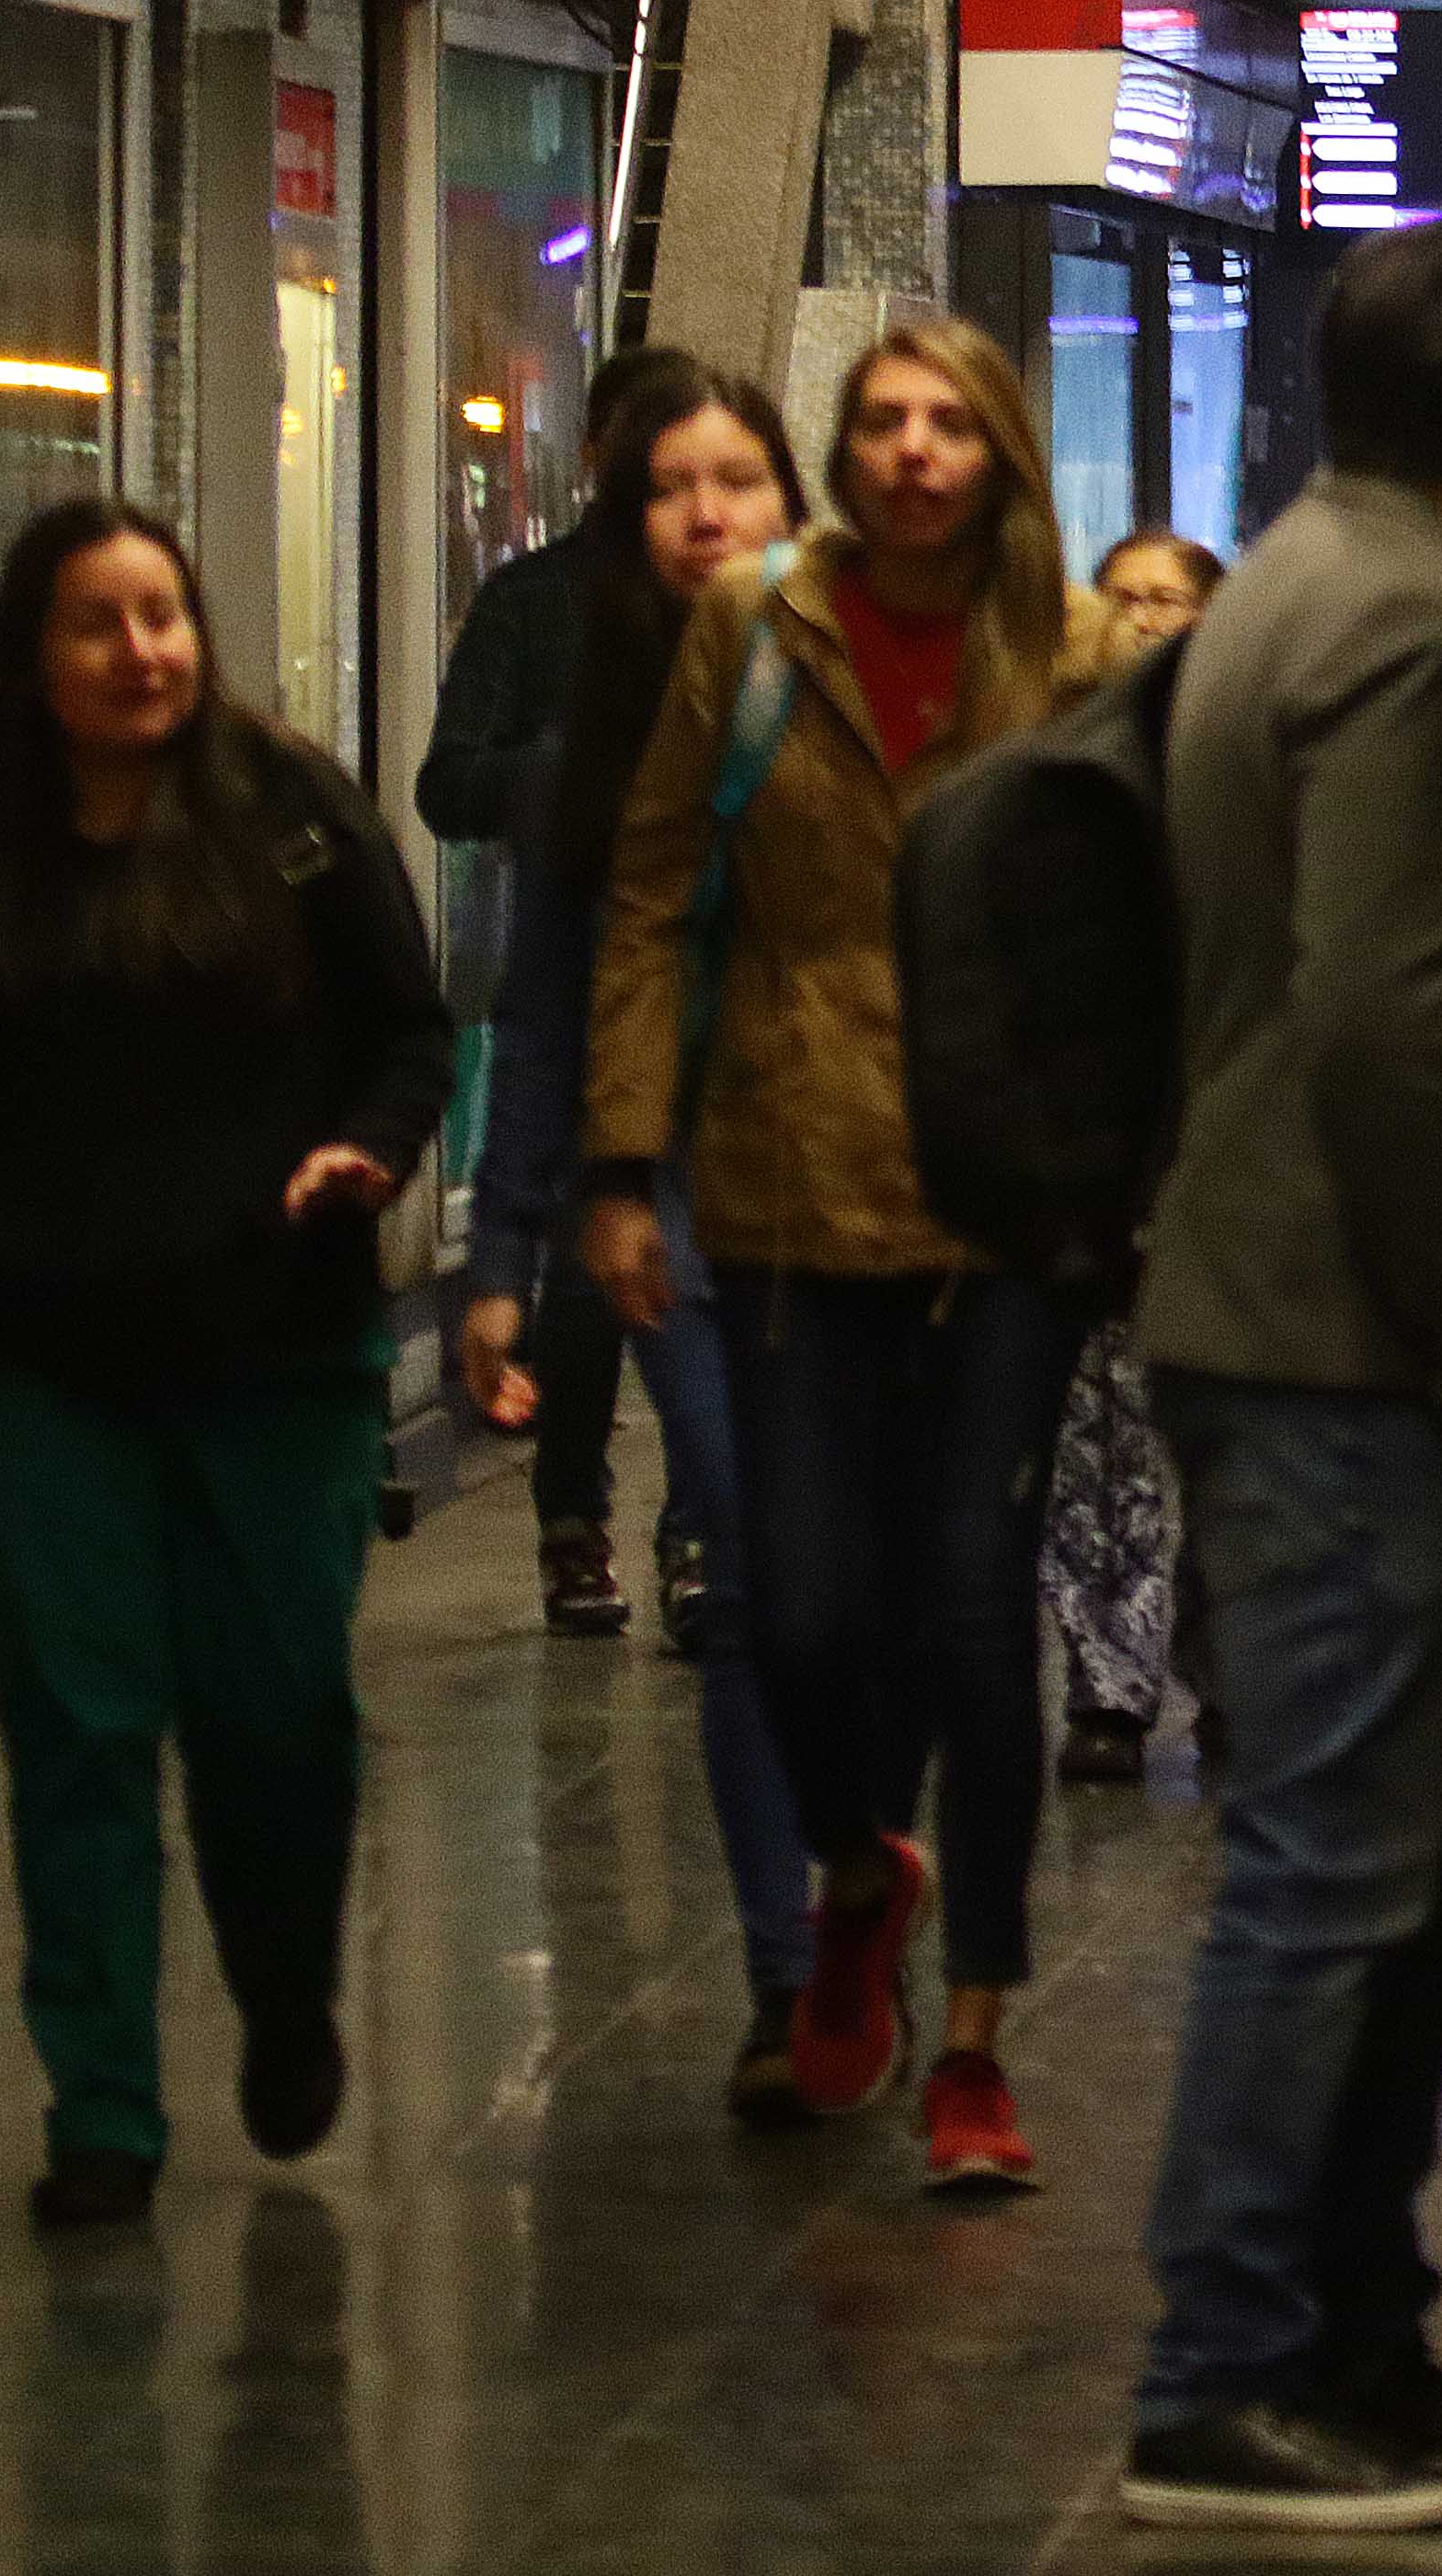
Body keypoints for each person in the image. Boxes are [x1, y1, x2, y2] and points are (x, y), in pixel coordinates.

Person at [1127, 216, 1442, 2533]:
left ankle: (1360, 2339)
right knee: (1328, 1870)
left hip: (1292, 1307)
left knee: (1401, 1872)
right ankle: (1223, 2367)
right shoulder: (1418, 626)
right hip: (1344, 1337)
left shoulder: (1291, 579)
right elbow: (1382, 1018)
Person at [0, 499, 452, 2231]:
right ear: (32, 662)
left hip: (275, 1355)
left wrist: (369, 1150)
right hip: (50, 1378)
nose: (143, 652)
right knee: (81, 1733)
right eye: (99, 624)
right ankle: (101, 2108)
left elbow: (407, 1030)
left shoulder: (288, 820)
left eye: (165, 616)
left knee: (275, 1721)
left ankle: (281, 1996)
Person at [582, 318, 1131, 2193]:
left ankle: (974, 2034)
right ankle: (854, 1869)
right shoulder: (756, 629)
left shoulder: (1074, 654)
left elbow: (1146, 912)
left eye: (948, 425)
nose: (911, 454)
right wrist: (616, 1156)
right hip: (792, 1172)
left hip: (1006, 1198)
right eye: (882, 424)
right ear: (848, 450)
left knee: (976, 1614)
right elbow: (656, 886)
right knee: (800, 1605)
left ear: (999, 455)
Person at [452, 358, 826, 2119]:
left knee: (878, 1587)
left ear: (784, 502)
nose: (704, 512)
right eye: (669, 483)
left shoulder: (869, 697)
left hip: (876, 1188)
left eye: (737, 478)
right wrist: (501, 1255)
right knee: (747, 1564)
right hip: (675, 1186)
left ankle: (875, 1895)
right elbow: (543, 1006)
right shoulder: (587, 740)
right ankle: (786, 1968)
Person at [421, 349, 694, 1645]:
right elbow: (445, 783)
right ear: (593, 454)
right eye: (646, 452)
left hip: (721, 1007)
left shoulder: (750, 613)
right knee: (588, 1297)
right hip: (580, 961)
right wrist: (560, 773)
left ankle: (704, 1537)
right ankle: (574, 1523)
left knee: (706, 1288)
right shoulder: (531, 605)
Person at [1050, 529, 1230, 1789]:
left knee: (1203, 1444)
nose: (1144, 621)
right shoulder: (1051, 780)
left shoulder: (1236, 774)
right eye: (1123, 600)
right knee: (1090, 1448)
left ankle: (1222, 1670)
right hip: (1084, 1167)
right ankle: (1104, 1685)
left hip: (1209, 1167)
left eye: (1169, 601)